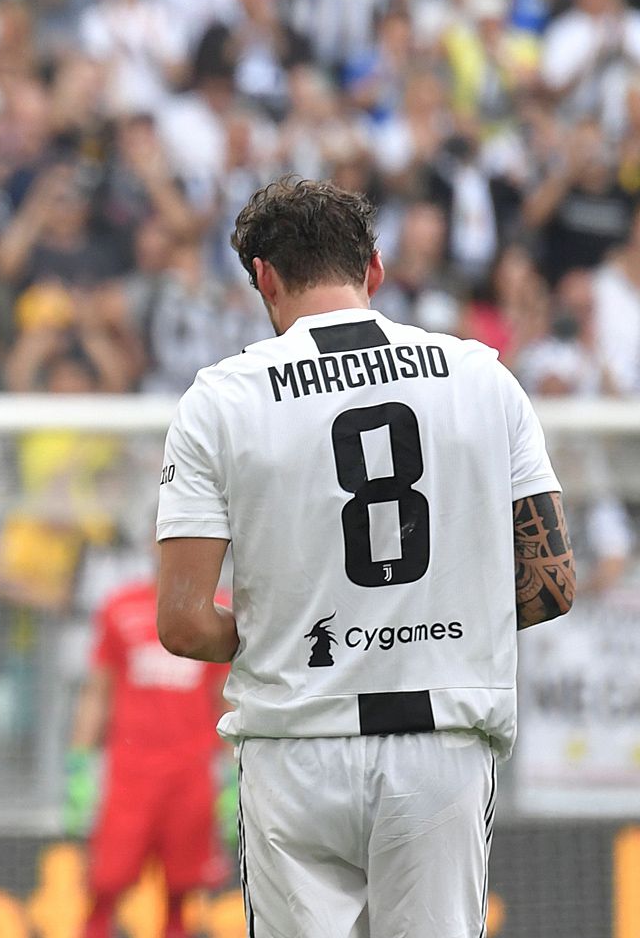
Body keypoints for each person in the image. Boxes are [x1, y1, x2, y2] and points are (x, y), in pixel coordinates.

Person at [154, 177, 575, 937]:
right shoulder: (483, 378)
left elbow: (184, 625)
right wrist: (423, 621)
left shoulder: (220, 399)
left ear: (264, 278)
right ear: (374, 269)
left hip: (295, 744)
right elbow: (552, 584)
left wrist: (300, 629)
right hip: (439, 745)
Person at [66, 579, 228, 938]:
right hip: (130, 772)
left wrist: (235, 771)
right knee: (106, 883)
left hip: (190, 770)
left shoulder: (219, 611)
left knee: (181, 891)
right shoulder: (120, 606)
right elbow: (99, 688)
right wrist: (78, 763)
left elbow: (224, 694)